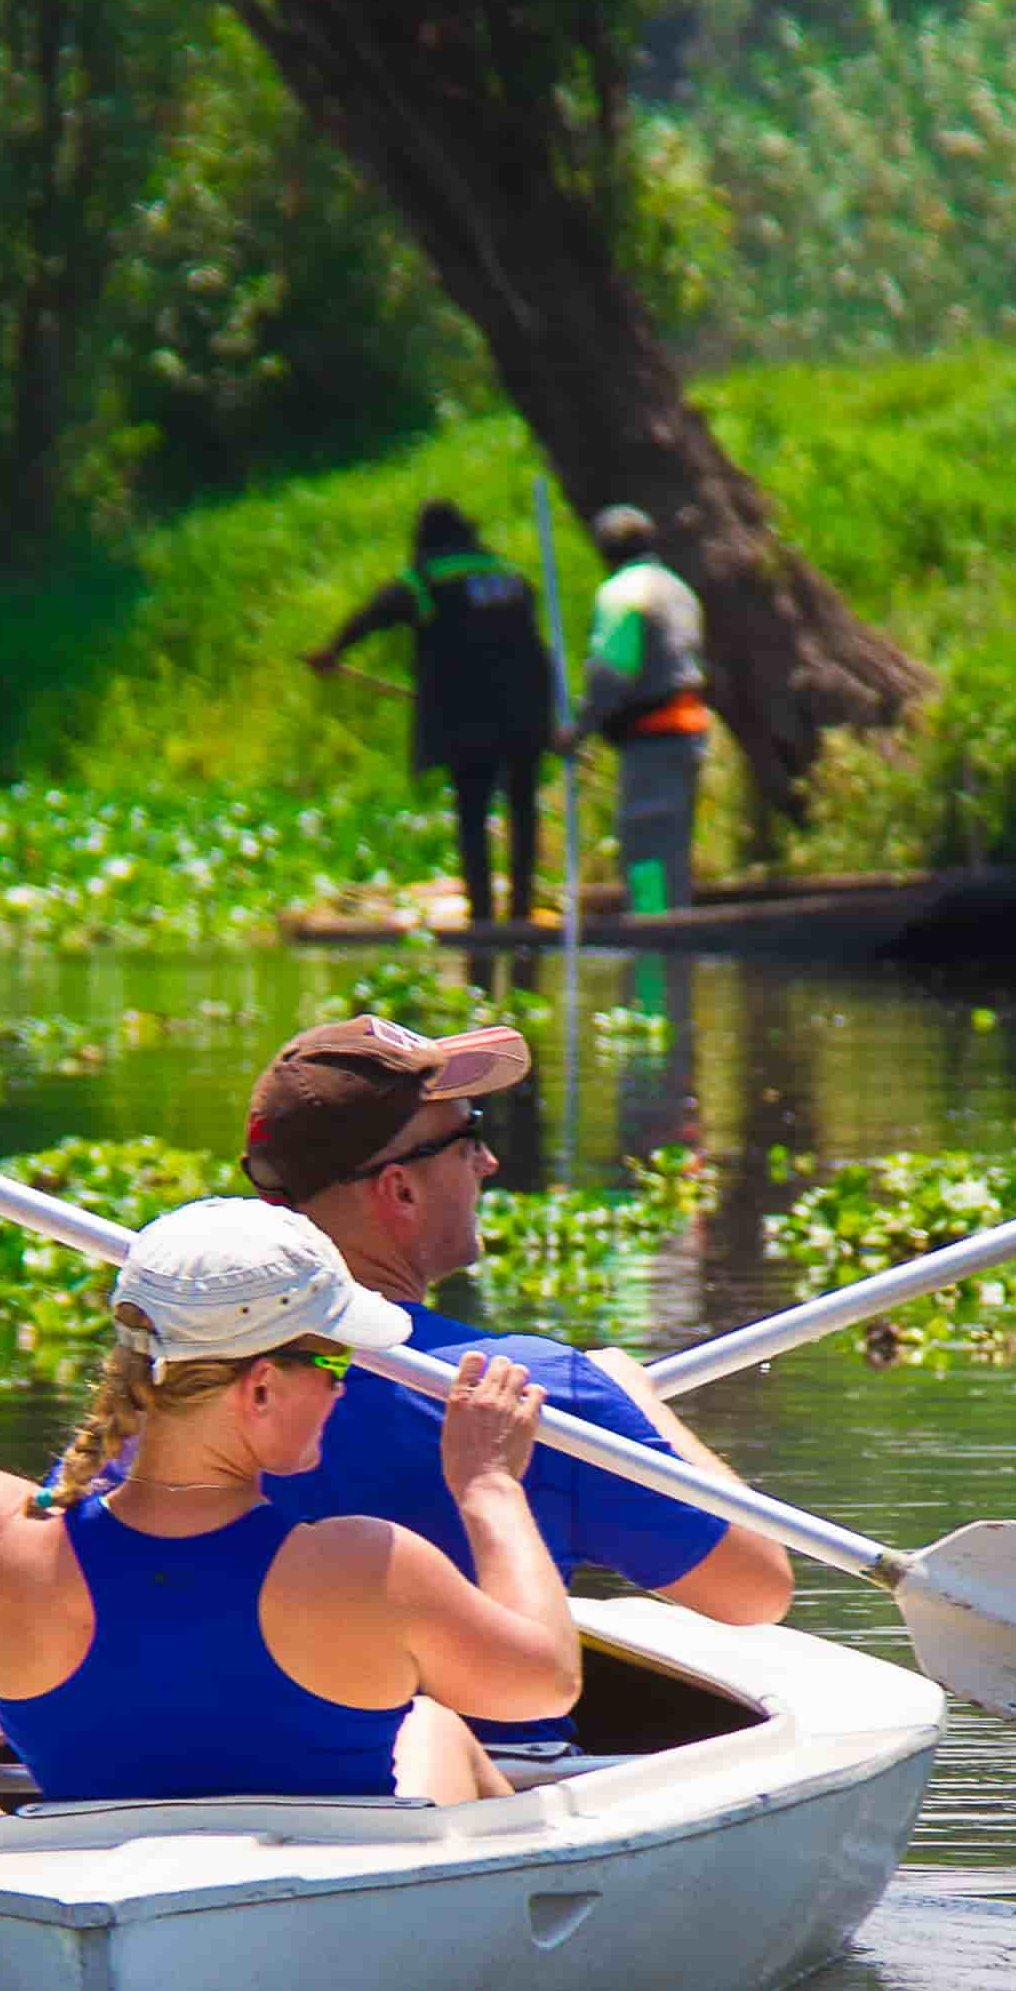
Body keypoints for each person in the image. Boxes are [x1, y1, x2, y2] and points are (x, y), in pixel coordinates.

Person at [0, 1105, 584, 1806]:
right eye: (337, 1364)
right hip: (327, 1905)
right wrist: (487, 1488)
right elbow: (544, 1681)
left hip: (86, 1873)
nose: (344, 1391)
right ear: (262, 1388)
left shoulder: (2, 1548)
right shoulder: (367, 1568)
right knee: (435, 1724)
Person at [239, 1013, 794, 1754]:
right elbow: (756, 1588)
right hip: (480, 1792)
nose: (490, 1163)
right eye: (467, 1138)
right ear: (399, 1190)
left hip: (190, 1781)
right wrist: (627, 1392)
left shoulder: (169, 1388)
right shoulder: (534, 1387)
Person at [305, 499, 555, 931]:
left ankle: (482, 918)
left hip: (470, 715)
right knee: (522, 805)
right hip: (528, 708)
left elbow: (374, 614)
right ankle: (521, 911)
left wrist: (333, 650)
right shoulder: (509, 576)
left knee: (473, 812)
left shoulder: (425, 579)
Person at [561, 502, 707, 915]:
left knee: (645, 848)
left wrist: (578, 730)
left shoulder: (623, 594)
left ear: (605, 552)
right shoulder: (679, 589)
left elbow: (611, 676)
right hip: (690, 731)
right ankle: (677, 920)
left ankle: (654, 945)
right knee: (673, 845)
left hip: (654, 738)